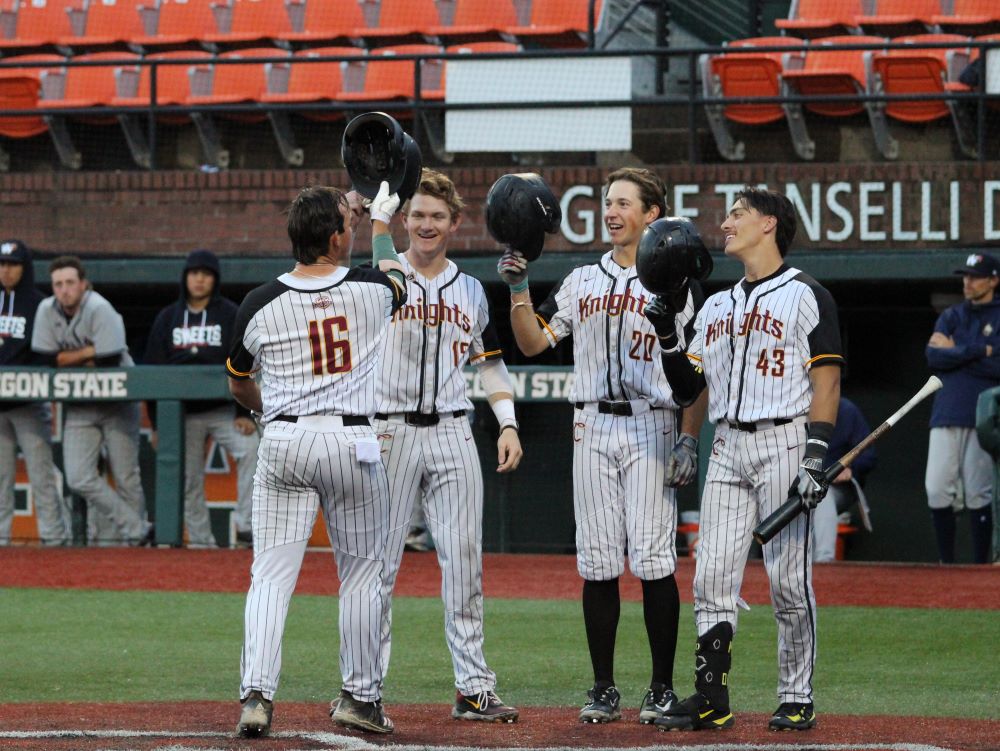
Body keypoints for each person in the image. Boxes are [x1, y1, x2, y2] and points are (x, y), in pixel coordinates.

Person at [498, 167, 707, 725]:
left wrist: (690, 437)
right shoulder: (580, 280)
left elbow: (693, 371)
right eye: (607, 202)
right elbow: (534, 342)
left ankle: (661, 687)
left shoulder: (676, 281)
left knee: (654, 558)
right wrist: (518, 289)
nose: (610, 211)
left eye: (622, 202)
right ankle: (604, 686)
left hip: (651, 423)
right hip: (591, 425)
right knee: (596, 561)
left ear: (652, 213)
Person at [648, 186, 844, 732]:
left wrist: (815, 455)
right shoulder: (715, 305)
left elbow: (826, 381)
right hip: (727, 445)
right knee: (711, 574)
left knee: (787, 578)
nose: (727, 222)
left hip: (783, 439)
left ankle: (796, 693)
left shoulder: (807, 295)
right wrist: (667, 335)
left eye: (738, 214)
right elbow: (689, 387)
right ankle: (711, 697)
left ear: (770, 225)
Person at [227, 182, 406, 738]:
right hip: (352, 441)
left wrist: (268, 412)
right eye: (345, 227)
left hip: (284, 440)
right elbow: (399, 277)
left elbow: (238, 383)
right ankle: (360, 698)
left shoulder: (258, 301)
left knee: (271, 578)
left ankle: (256, 696)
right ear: (333, 237)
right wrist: (379, 225)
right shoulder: (371, 288)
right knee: (360, 576)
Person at [375, 169, 523, 722]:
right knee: (379, 568)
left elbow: (491, 364)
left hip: (453, 431)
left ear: (455, 223)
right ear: (403, 221)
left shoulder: (471, 289)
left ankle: (473, 687)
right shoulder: (382, 276)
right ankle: (365, 687)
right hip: (387, 429)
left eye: (437, 215)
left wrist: (507, 423)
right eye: (417, 214)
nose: (427, 224)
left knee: (463, 564)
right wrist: (375, 221)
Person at [31, 255, 152, 547]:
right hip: (81, 406)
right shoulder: (46, 309)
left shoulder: (99, 307)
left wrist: (69, 359)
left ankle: (138, 548)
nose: (64, 289)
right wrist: (88, 352)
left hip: (118, 401)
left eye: (70, 282)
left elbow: (109, 357)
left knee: (126, 476)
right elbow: (46, 359)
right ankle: (139, 530)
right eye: (58, 284)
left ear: (83, 284)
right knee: (78, 477)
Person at [144, 249, 259, 548]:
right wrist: (158, 424)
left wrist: (243, 413)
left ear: (214, 279)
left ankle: (246, 524)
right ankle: (201, 543)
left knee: (250, 449)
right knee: (189, 478)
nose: (199, 279)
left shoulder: (230, 313)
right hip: (182, 414)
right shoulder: (168, 317)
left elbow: (243, 363)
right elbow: (153, 373)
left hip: (224, 409)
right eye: (194, 273)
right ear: (185, 278)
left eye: (205, 274)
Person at [924, 252, 1000, 565]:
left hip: (984, 416)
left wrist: (956, 351)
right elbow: (933, 357)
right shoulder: (952, 315)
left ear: (994, 279)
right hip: (946, 410)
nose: (968, 282)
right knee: (936, 489)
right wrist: (979, 350)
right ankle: (946, 563)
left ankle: (980, 565)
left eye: (975, 276)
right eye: (965, 276)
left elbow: (997, 366)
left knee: (979, 492)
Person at [0, 239, 70, 546]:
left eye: (13, 265)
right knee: (1, 481)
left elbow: (47, 352)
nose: (6, 271)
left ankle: (54, 540)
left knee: (41, 476)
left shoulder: (40, 303)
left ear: (24, 268)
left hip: (29, 402)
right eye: (2, 264)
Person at [812, 397, 876, 563]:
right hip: (797, 484)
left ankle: (824, 562)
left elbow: (868, 455)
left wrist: (850, 468)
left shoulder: (846, 410)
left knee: (820, 495)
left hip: (837, 487)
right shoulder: (791, 410)